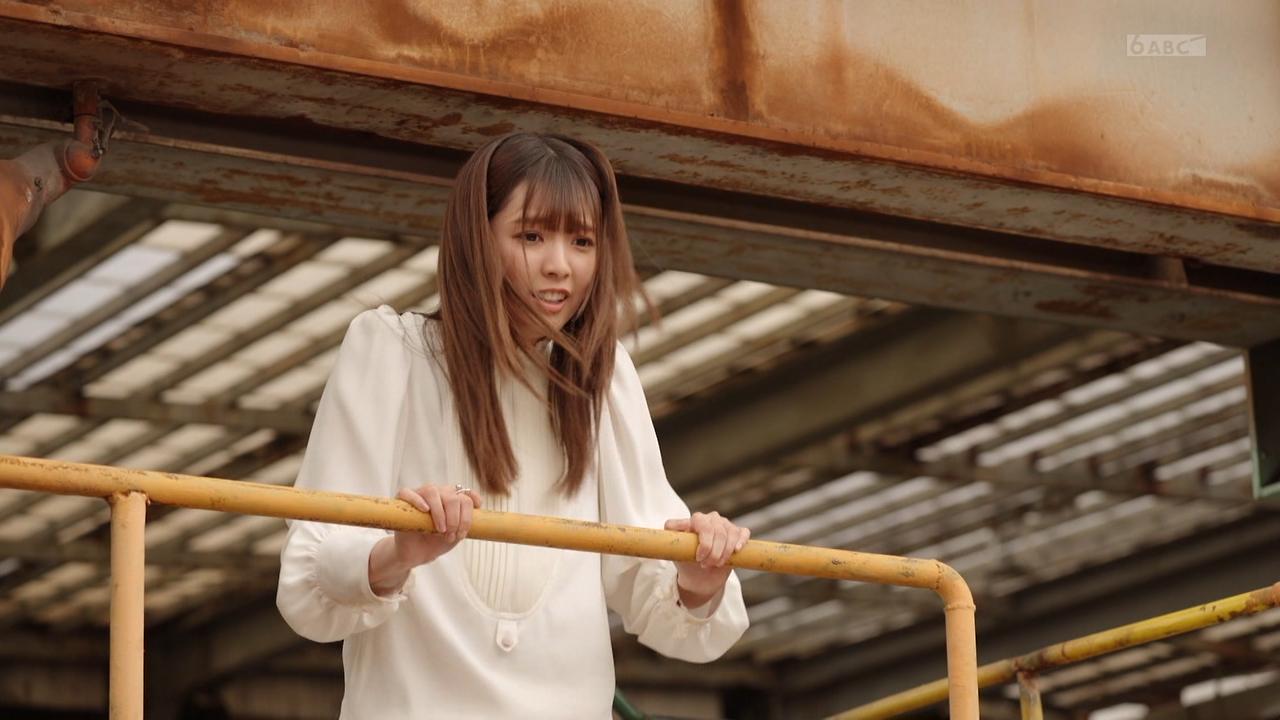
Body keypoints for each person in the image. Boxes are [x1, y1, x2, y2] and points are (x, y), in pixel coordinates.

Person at [276, 132, 751, 718]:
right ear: (476, 238)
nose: (559, 265)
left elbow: (664, 604)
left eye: (582, 241)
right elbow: (308, 585)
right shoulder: (392, 352)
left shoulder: (604, 380)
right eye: (531, 236)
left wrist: (699, 576)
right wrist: (399, 552)